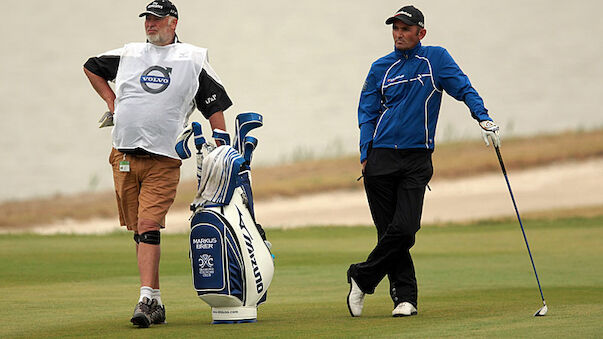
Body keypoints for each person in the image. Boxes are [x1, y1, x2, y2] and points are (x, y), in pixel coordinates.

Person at [83, 0, 232, 328]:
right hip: (122, 156)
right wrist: (111, 100)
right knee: (139, 229)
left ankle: (146, 298)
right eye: (147, 19)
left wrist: (222, 145)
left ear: (173, 22)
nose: (150, 24)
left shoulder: (191, 58)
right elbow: (91, 66)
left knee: (149, 225)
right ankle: (157, 301)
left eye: (157, 19)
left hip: (163, 159)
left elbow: (214, 103)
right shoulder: (131, 53)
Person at [347, 5, 500, 318]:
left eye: (406, 29)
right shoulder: (380, 67)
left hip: (417, 157)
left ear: (421, 33)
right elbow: (367, 112)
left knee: (405, 228)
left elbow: (463, 88)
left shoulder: (436, 59)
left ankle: (361, 277)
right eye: (396, 29)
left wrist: (483, 118)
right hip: (381, 157)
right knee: (388, 232)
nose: (399, 34)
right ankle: (405, 299)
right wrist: (366, 154)